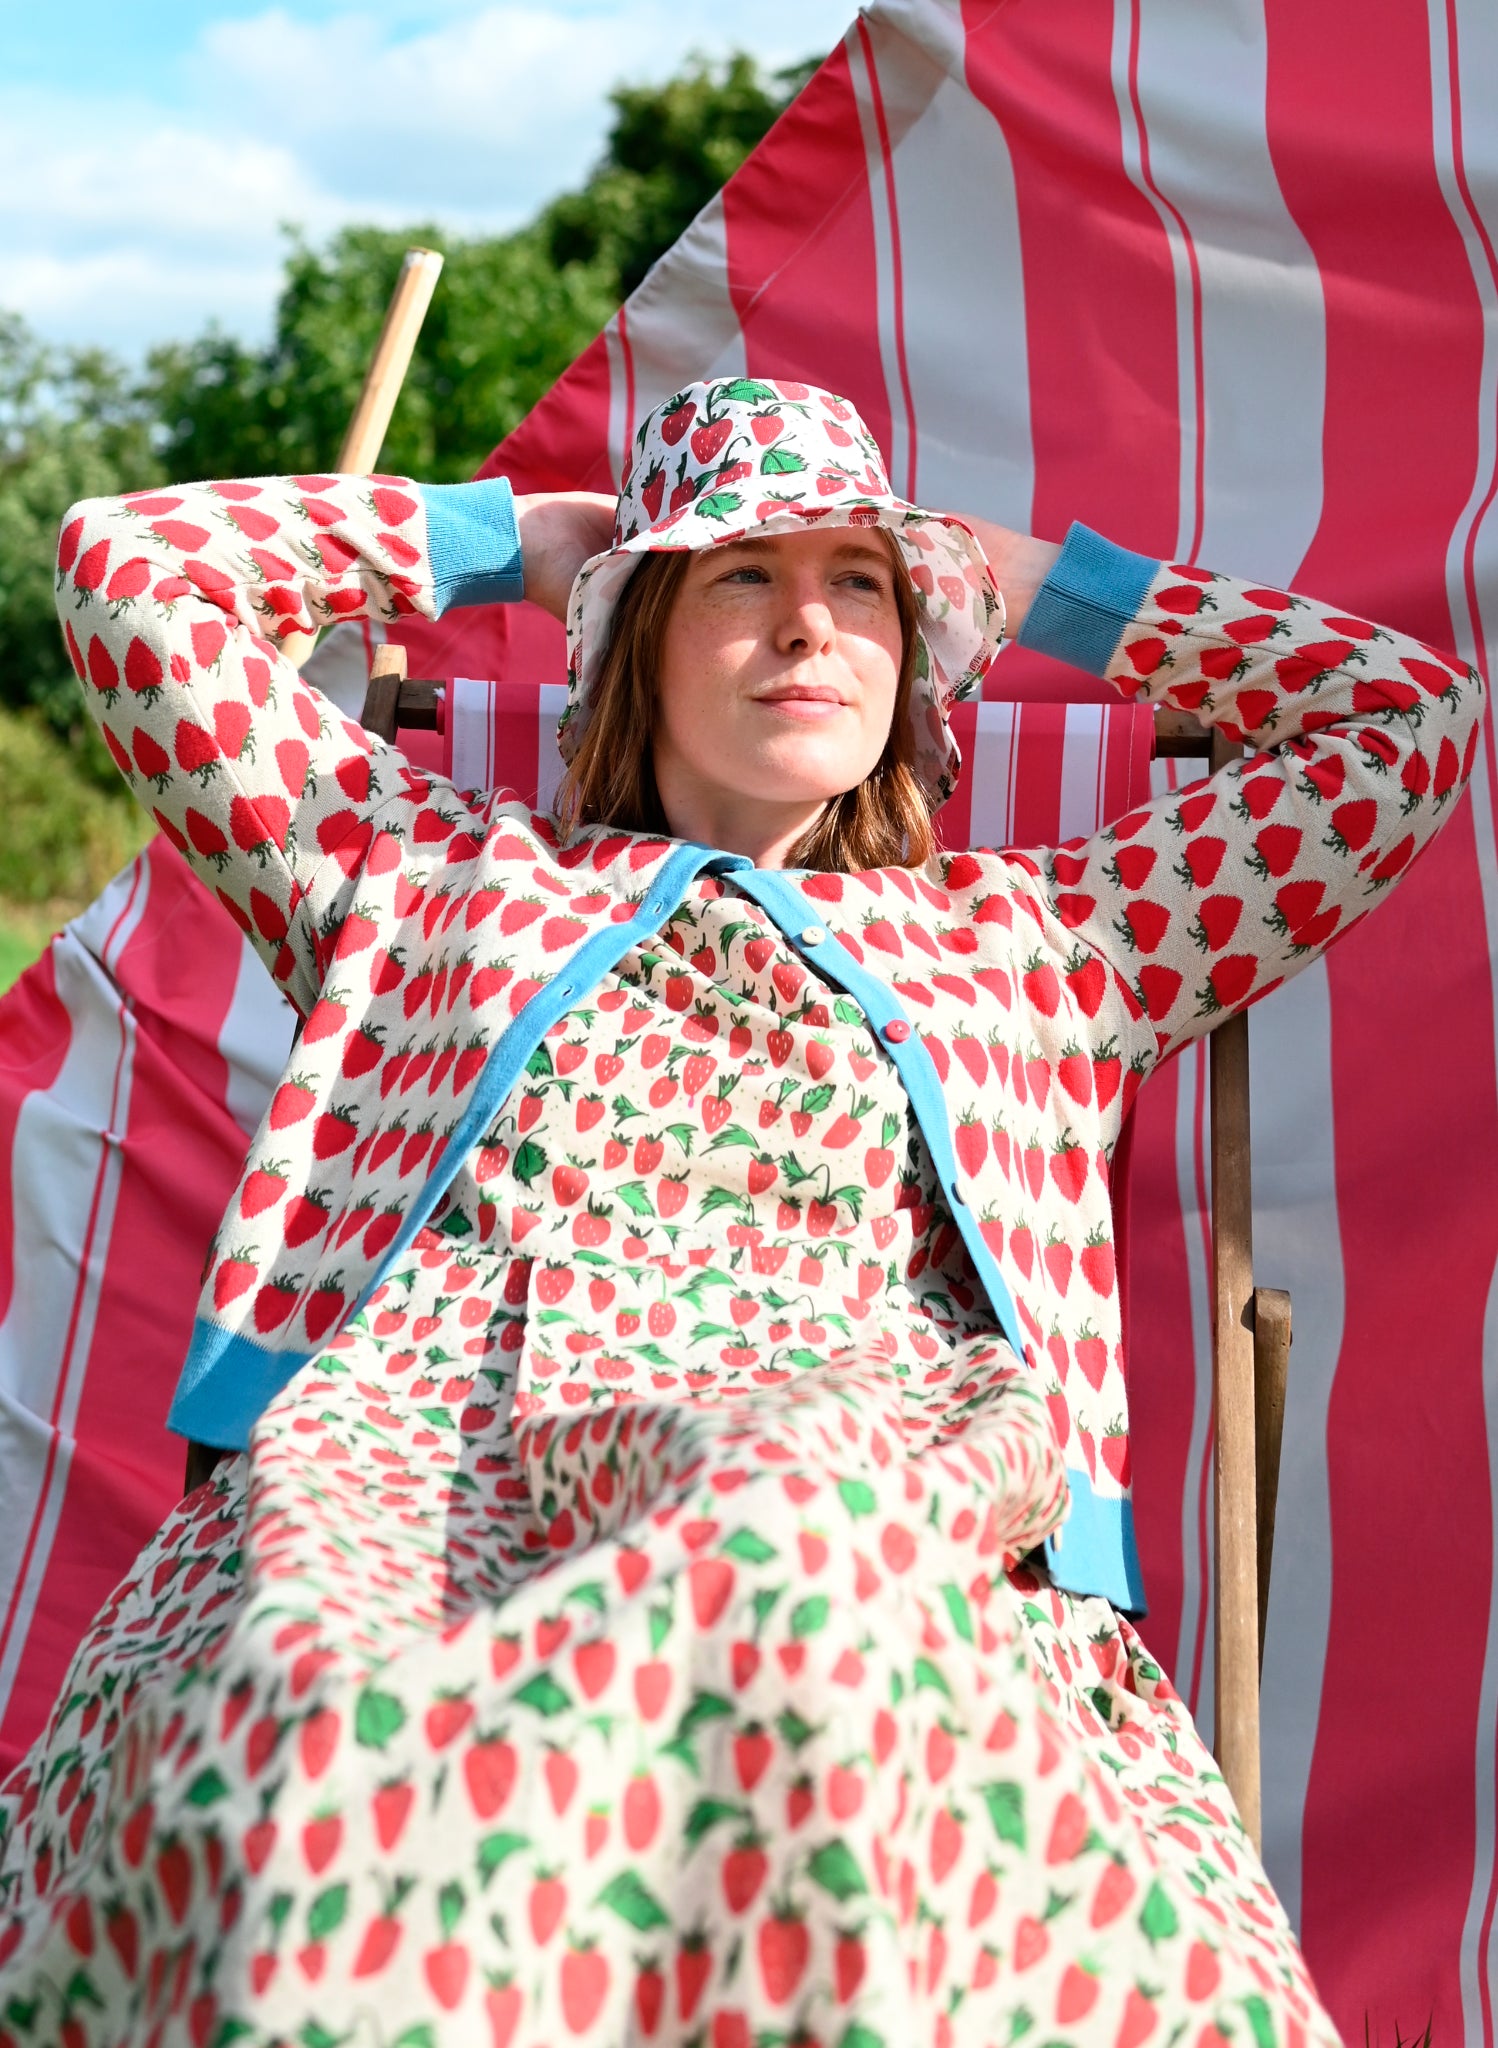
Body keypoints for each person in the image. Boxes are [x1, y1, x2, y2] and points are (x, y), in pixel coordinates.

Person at [0, 375, 1480, 2047]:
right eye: (736, 579)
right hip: (422, 1480)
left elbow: (1402, 721)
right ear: (632, 636)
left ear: (917, 654)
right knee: (309, 1734)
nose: (808, 628)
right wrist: (513, 543)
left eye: (859, 584)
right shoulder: (413, 873)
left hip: (857, 1481)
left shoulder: (1045, 947)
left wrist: (1041, 583)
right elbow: (124, 574)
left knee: (789, 1547)